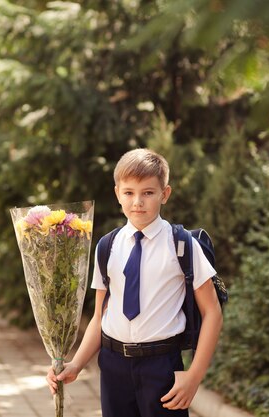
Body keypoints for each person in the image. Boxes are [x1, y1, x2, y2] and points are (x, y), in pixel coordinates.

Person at [46, 148, 223, 417]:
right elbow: (100, 317)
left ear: (165, 194)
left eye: (148, 193)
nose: (137, 201)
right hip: (113, 366)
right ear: (117, 193)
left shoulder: (183, 245)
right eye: (129, 193)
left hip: (161, 366)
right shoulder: (107, 246)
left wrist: (194, 375)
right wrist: (76, 364)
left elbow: (212, 312)